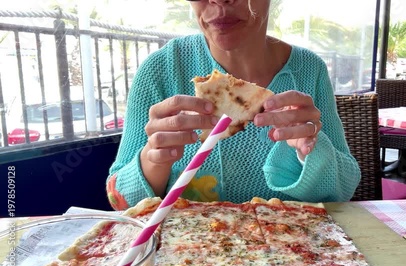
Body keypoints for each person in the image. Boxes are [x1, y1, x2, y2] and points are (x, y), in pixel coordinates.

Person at [105, 0, 361, 210]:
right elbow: (120, 199)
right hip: (186, 257)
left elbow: (343, 191)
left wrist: (309, 151)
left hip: (290, 254)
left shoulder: (309, 70)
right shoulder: (161, 71)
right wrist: (155, 160)